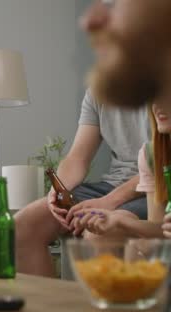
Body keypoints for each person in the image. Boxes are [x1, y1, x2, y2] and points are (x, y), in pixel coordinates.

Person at [15, 89, 149, 277]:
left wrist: (110, 201)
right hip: (111, 186)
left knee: (99, 232)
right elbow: (78, 158)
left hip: (154, 188)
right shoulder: (99, 91)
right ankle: (52, 306)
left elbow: (160, 165)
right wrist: (58, 190)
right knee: (22, 226)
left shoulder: (162, 84)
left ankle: (103, 306)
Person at [72, 103, 168, 239]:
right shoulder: (152, 155)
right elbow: (158, 233)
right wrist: (117, 221)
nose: (158, 105)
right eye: (155, 98)